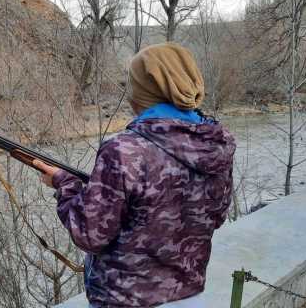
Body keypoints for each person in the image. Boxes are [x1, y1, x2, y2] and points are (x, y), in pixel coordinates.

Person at [33, 43, 236, 308]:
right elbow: (216, 216)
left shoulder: (123, 150)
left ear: (143, 88)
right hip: (191, 297)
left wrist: (64, 184)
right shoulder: (218, 143)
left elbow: (90, 234)